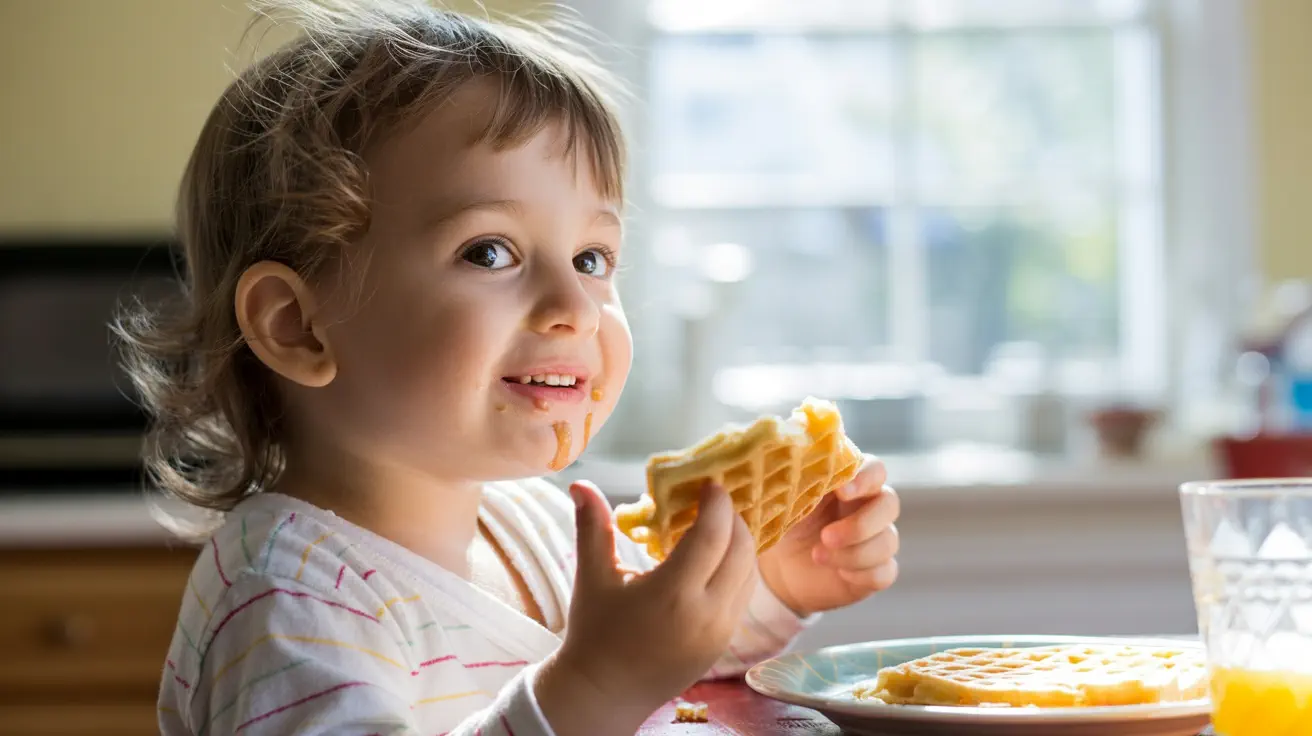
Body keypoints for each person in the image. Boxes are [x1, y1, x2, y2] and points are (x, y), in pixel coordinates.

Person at [118, 1, 901, 733]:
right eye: (490, 252)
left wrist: (777, 582)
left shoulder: (536, 527)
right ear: (297, 327)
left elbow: (663, 649)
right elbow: (614, 676)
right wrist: (590, 688)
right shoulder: (288, 598)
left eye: (592, 258)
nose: (576, 306)